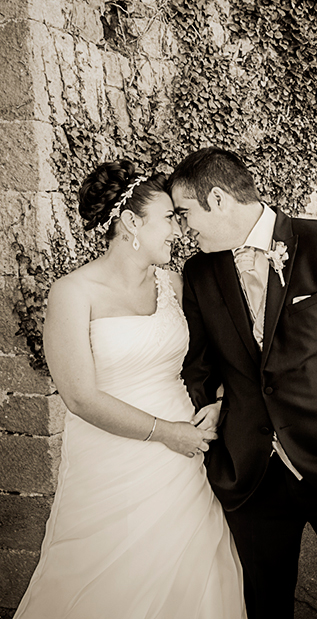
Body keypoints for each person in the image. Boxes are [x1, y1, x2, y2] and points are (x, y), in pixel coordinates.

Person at [169, 146, 317, 619]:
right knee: (264, 606)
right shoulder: (198, 272)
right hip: (252, 476)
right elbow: (199, 364)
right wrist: (215, 401)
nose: (182, 228)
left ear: (217, 200)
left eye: (185, 213)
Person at [14, 161, 246, 619]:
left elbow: (208, 365)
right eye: (167, 218)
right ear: (131, 223)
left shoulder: (176, 285)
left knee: (193, 571)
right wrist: (166, 433)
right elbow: (79, 397)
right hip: (111, 458)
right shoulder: (72, 293)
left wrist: (217, 405)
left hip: (184, 461)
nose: (177, 231)